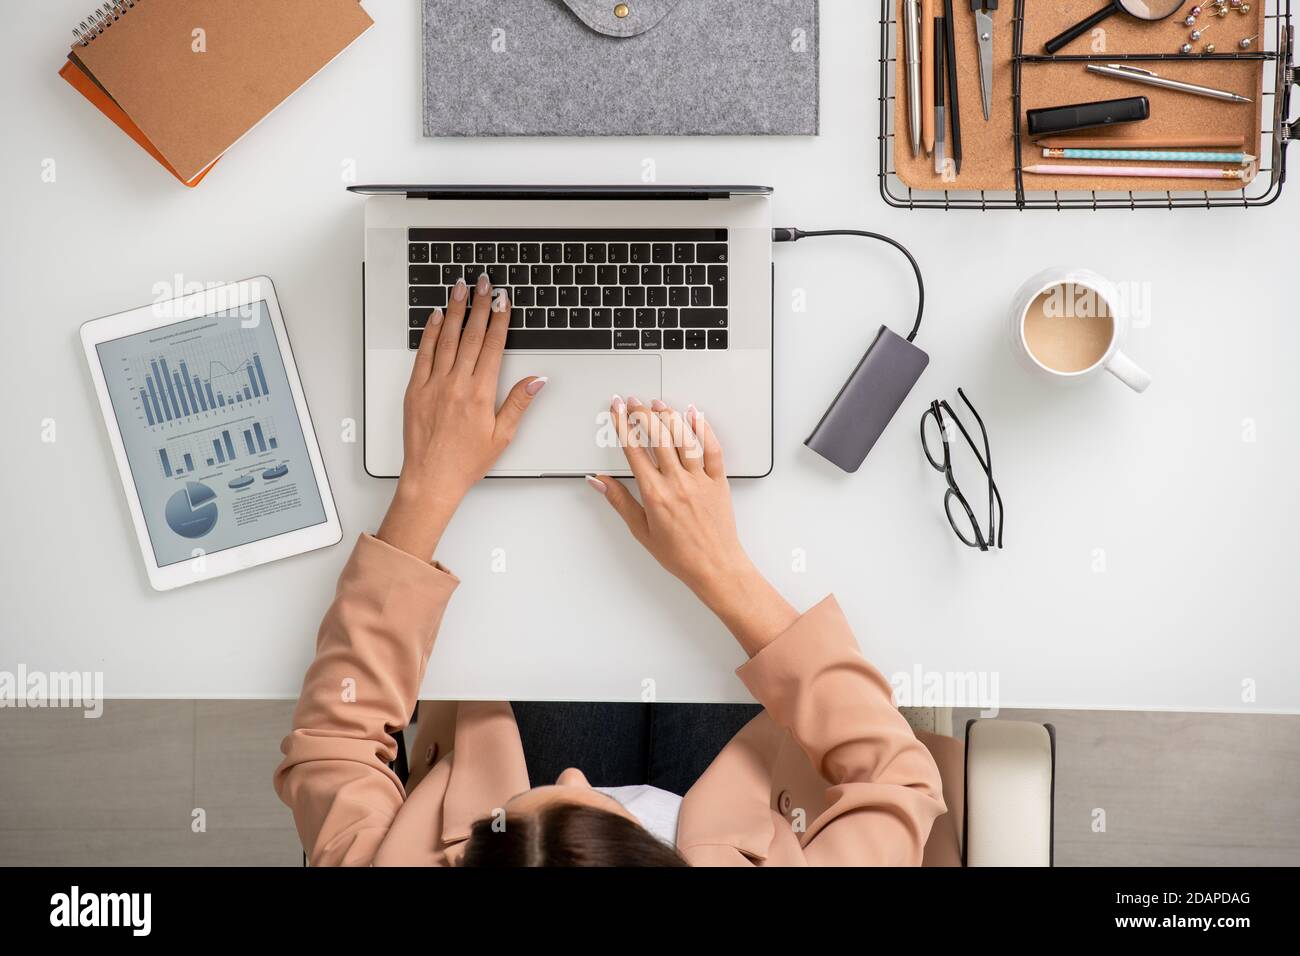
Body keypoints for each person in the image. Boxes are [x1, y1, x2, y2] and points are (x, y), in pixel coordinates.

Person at [274, 274, 946, 866]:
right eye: (592, 802)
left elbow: (335, 738)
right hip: (747, 787)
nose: (574, 776)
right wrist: (720, 568)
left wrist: (425, 485)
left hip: (509, 734)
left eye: (543, 800)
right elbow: (897, 780)